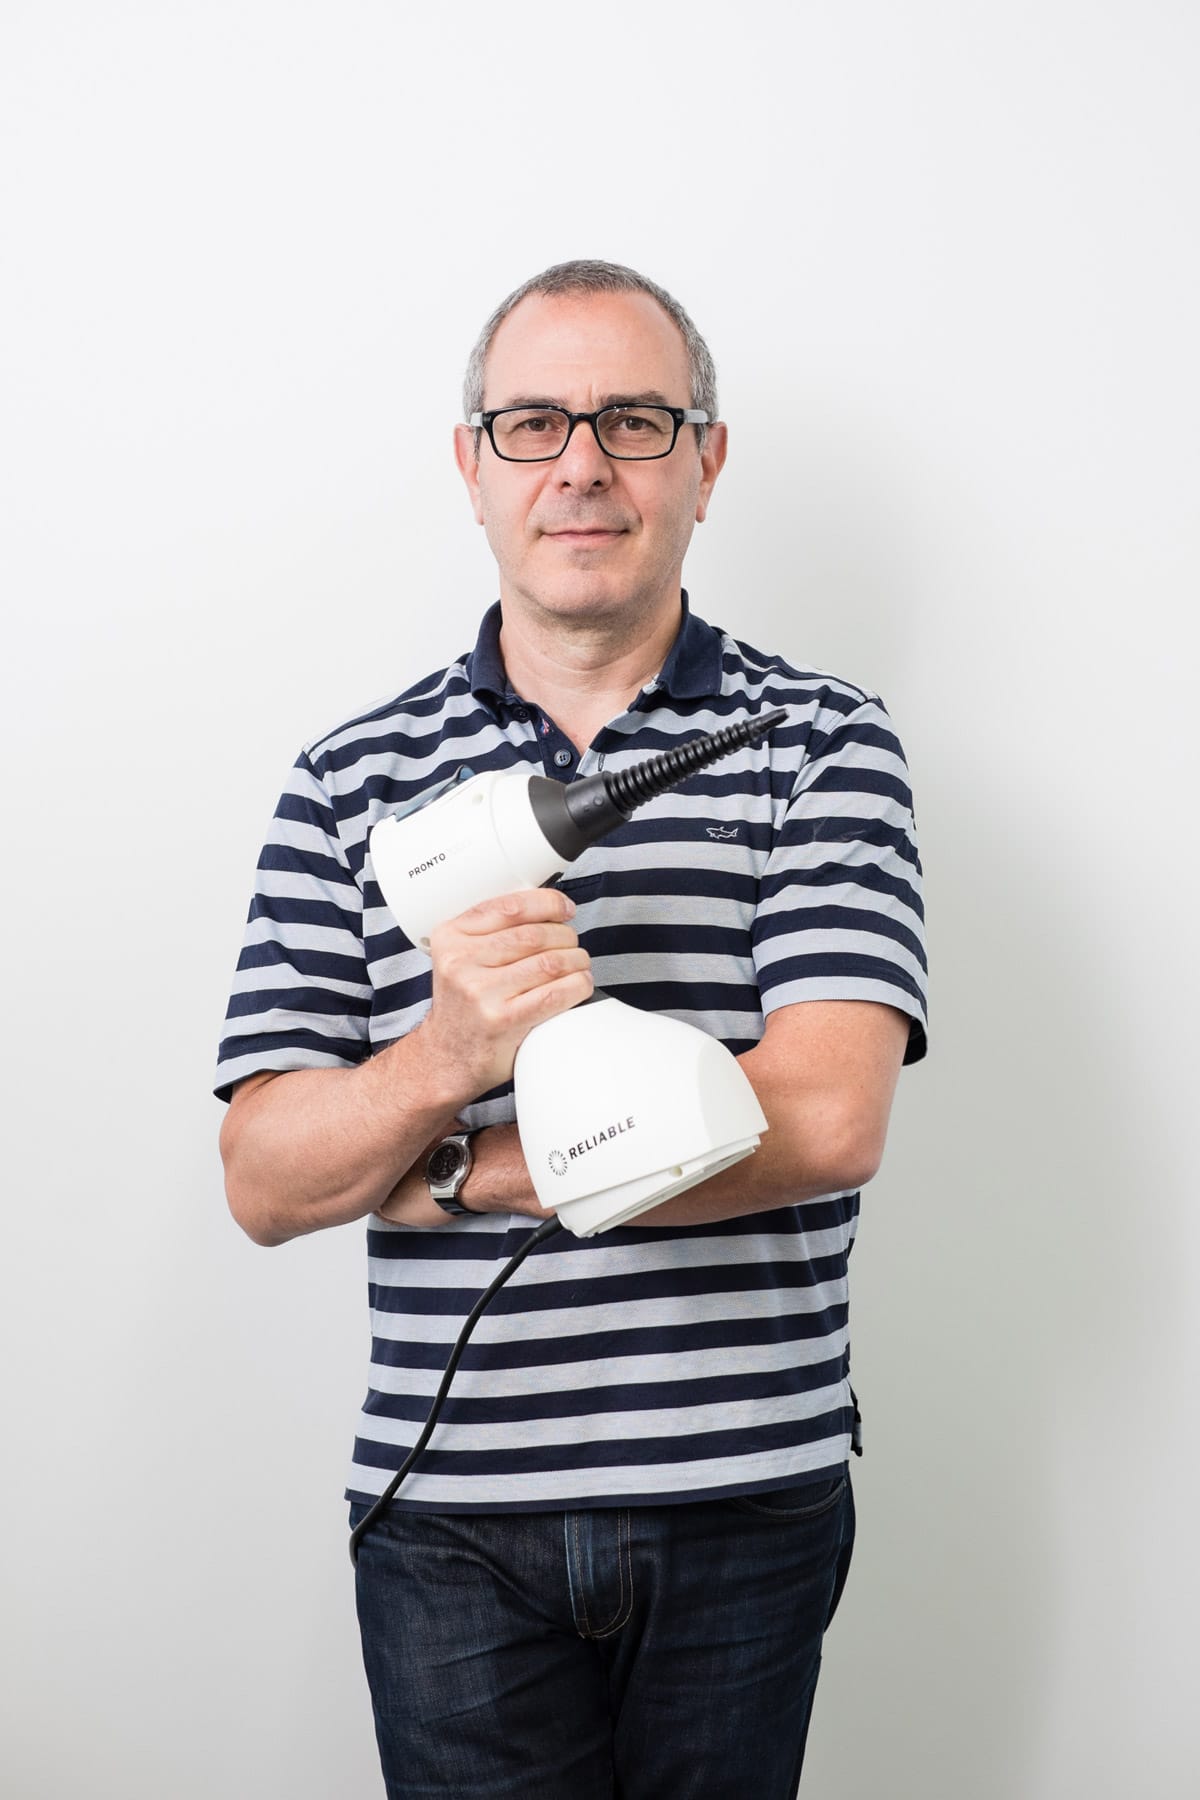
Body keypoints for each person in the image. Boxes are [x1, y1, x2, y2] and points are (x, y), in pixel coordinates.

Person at [216, 259, 928, 1799]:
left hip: (745, 1502)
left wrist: (461, 1170)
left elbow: (825, 1120)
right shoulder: (348, 780)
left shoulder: (822, 743)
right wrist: (444, 1055)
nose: (584, 464)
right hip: (445, 1519)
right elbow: (266, 1177)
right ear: (472, 464)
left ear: (708, 460)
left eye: (635, 419)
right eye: (533, 423)